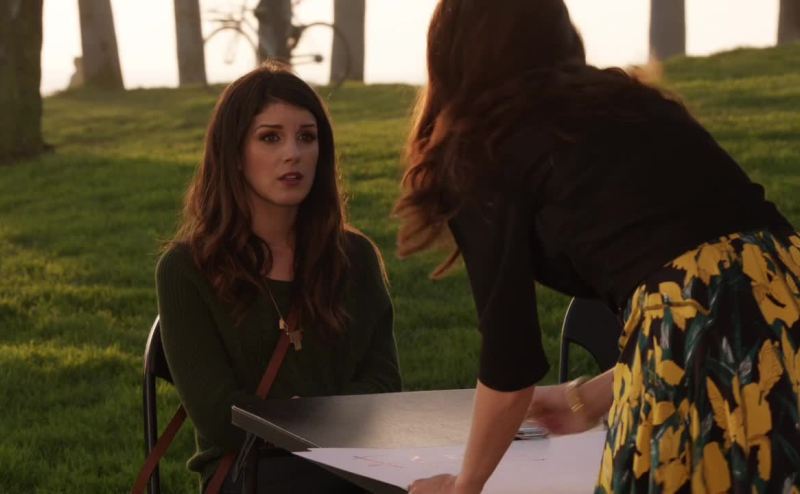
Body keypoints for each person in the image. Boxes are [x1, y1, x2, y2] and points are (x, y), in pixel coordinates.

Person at [395, 1, 800, 493]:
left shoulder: (482, 150)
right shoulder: (632, 103)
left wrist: (464, 485)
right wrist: (588, 399)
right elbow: (721, 286)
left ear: (448, 52)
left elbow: (510, 360)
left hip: (697, 314)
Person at [156, 62, 402, 493]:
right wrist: (308, 422)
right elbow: (218, 414)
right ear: (234, 154)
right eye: (270, 137)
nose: (293, 153)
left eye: (307, 137)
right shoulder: (187, 268)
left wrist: (306, 418)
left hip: (352, 458)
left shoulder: (355, 257)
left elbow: (383, 384)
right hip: (249, 469)